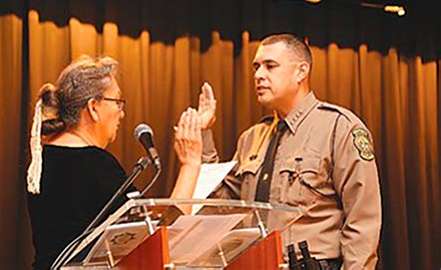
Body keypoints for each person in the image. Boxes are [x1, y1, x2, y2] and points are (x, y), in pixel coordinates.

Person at [173, 34, 382, 269]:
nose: (258, 75)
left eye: (270, 66)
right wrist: (202, 136)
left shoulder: (338, 127)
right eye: (256, 67)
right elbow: (224, 207)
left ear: (301, 72)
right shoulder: (251, 138)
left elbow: (363, 219)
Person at [26, 55, 200, 269]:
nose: (122, 113)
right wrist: (191, 164)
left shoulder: (43, 158)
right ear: (93, 107)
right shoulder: (96, 165)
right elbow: (162, 238)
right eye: (117, 102)